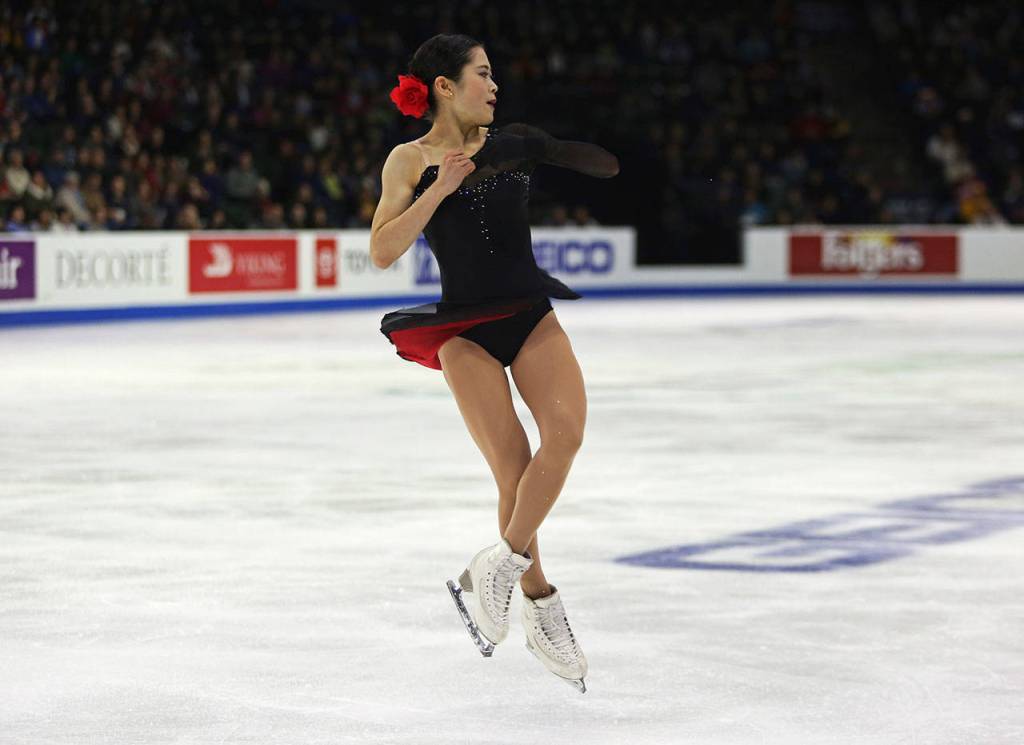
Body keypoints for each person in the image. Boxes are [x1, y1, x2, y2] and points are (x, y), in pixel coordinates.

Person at [370, 34, 618, 693]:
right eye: (482, 74)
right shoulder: (409, 158)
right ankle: (543, 604)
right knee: (513, 469)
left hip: (528, 313)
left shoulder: (509, 143)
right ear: (445, 87)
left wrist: (554, 149)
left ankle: (499, 565)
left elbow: (602, 164)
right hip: (463, 330)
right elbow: (381, 250)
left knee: (563, 438)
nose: (494, 85)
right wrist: (438, 188)